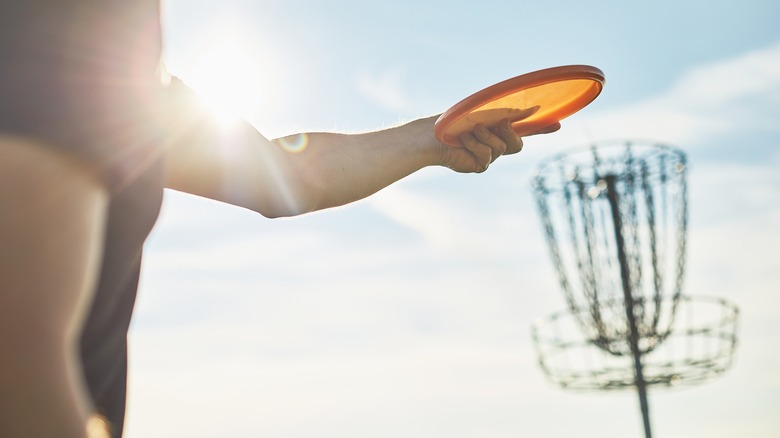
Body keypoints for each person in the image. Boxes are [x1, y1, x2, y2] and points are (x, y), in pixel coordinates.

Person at [0, 2, 560, 437]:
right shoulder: (66, 15)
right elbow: (19, 346)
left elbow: (287, 176)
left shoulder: (126, 73)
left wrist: (435, 136)